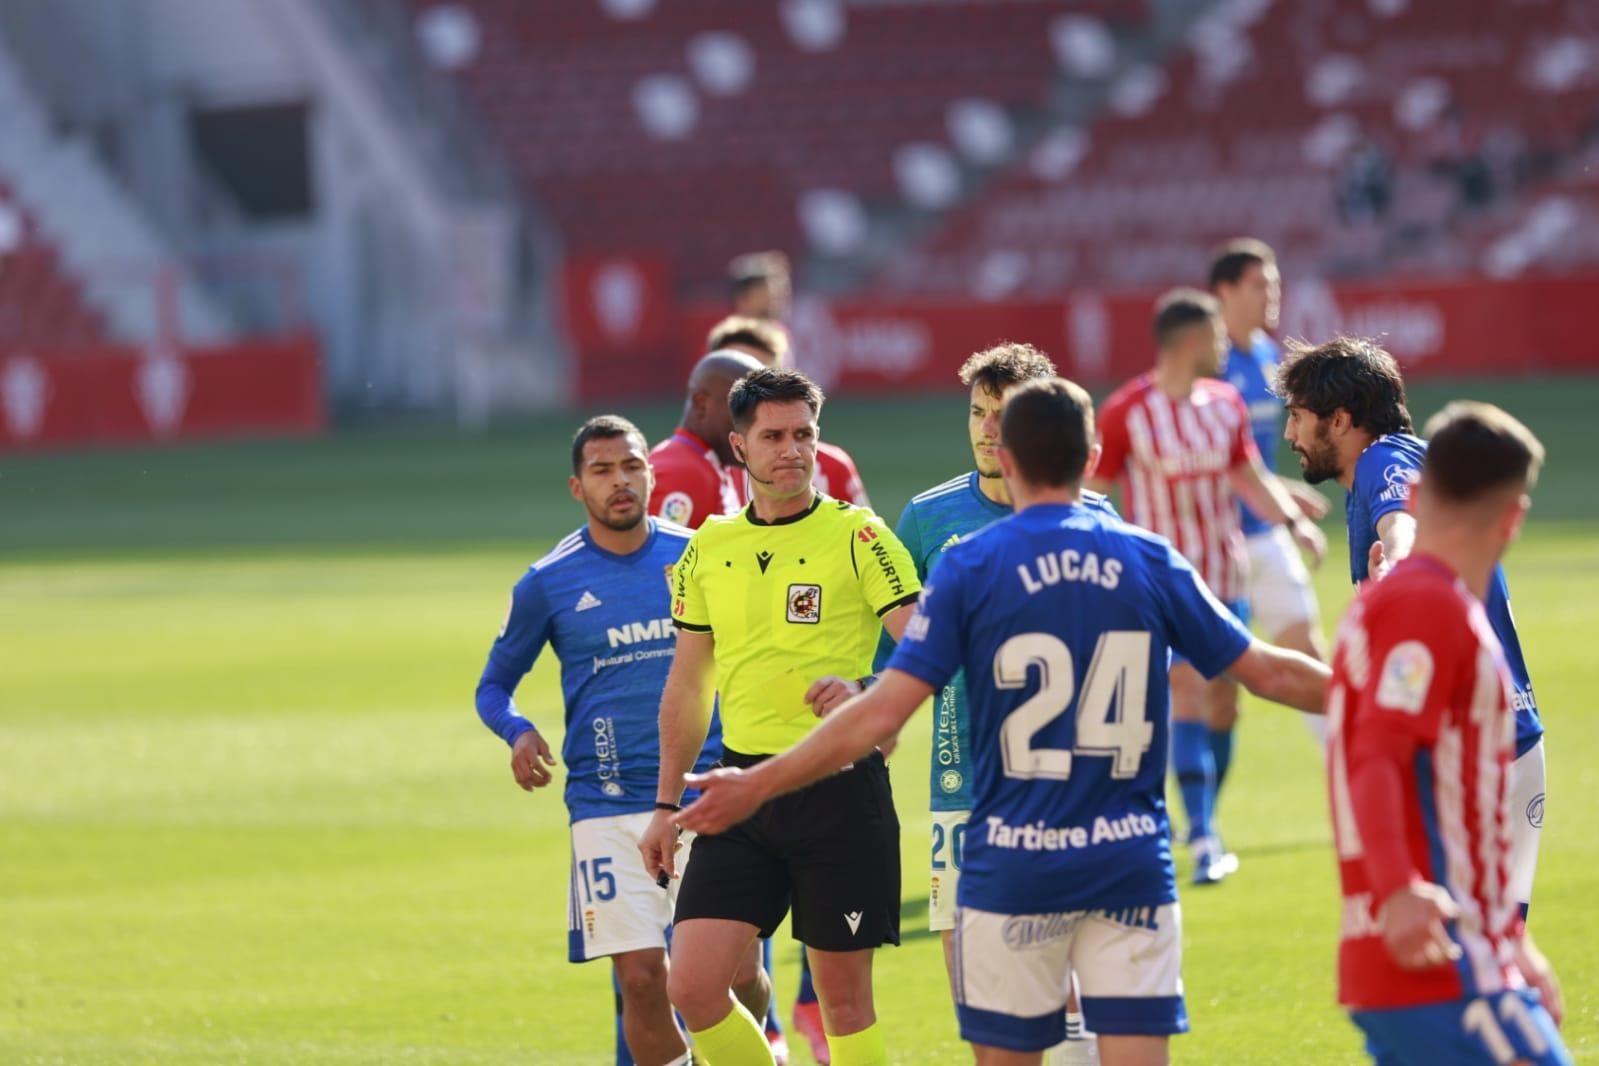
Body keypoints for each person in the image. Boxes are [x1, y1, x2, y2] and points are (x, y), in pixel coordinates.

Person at [675, 377, 1332, 1066]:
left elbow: (882, 710)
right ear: (1091, 457)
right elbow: (1270, 672)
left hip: (1012, 862)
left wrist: (756, 785)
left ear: (1007, 460)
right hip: (1129, 860)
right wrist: (1374, 693)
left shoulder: (971, 566)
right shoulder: (1148, 559)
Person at [639, 368, 920, 1066]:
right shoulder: (707, 546)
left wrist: (871, 688)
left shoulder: (860, 536)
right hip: (739, 791)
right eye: (772, 436)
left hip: (841, 792)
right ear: (739, 446)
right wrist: (665, 804)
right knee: (693, 985)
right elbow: (687, 682)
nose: (790, 450)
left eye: (803, 434)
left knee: (843, 1002)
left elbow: (929, 644)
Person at [874, 342, 1112, 1066]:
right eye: (975, 412)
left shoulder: (1094, 518)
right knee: (966, 952)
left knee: (1065, 952)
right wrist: (874, 719)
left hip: (1064, 777)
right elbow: (892, 643)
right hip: (961, 774)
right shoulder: (926, 517)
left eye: (1000, 415)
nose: (984, 430)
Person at [1324, 401, 1567, 1064]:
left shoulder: (1396, 599)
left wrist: (1513, 944)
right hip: (1438, 956)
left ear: (1418, 491)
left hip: (1445, 947)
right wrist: (1400, 889)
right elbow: (1378, 750)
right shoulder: (1426, 605)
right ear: (1512, 518)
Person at [1275, 337, 1547, 919]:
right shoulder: (1413, 458)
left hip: (1472, 761)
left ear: (1341, 421)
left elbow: (1400, 524)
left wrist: (1398, 567)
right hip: (1509, 740)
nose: (1289, 435)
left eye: (1297, 417)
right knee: (1496, 956)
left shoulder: (1382, 460)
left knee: (1453, 965)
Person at [474, 415, 713, 1066]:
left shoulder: (700, 555)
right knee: (640, 978)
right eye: (602, 471)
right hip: (605, 807)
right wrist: (517, 731)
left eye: (630, 466)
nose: (620, 482)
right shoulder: (546, 582)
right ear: (577, 487)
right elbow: (492, 687)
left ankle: (761, 1043)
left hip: (703, 793)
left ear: (651, 473)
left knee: (726, 975)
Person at [1087, 289, 1326, 885]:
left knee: (1225, 703)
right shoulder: (1125, 411)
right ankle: (1202, 838)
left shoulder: (1225, 404)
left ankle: (1201, 813)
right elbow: (1095, 489)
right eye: (1217, 338)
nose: (1225, 348)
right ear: (1191, 341)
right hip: (1156, 587)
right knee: (1188, 692)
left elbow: (1248, 476)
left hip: (1224, 576)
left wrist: (1292, 522)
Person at [646, 346, 791, 1066]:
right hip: (703, 742)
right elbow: (667, 606)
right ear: (707, 404)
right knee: (668, 964)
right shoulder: (676, 474)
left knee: (735, 964)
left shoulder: (713, 473)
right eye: (739, 402)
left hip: (736, 740)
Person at [1209, 239, 1332, 743]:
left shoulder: (1265, 356)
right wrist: (1286, 498)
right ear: (1225, 290)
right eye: (1261, 284)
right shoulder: (1204, 363)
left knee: (1310, 660)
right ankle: (1200, 818)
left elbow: (1249, 460)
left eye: (1276, 284)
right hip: (1214, 544)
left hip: (1265, 532)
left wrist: (1283, 501)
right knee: (1219, 698)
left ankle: (1354, 789)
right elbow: (1203, 459)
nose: (1272, 294)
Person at [708, 314, 870, 510]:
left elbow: (864, 535)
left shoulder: (831, 468)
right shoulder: (697, 472)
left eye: (761, 375)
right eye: (732, 376)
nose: (746, 387)